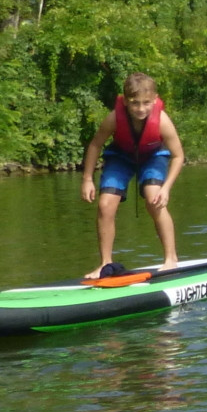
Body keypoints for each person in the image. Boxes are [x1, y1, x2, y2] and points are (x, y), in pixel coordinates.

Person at [80, 72, 186, 278]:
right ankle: (105, 264)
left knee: (154, 197)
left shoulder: (162, 120)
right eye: (135, 103)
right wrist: (87, 179)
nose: (140, 108)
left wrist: (166, 189)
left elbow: (178, 156)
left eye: (146, 103)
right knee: (105, 204)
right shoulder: (113, 119)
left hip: (153, 156)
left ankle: (171, 258)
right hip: (121, 156)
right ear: (126, 101)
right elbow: (95, 145)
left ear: (155, 99)